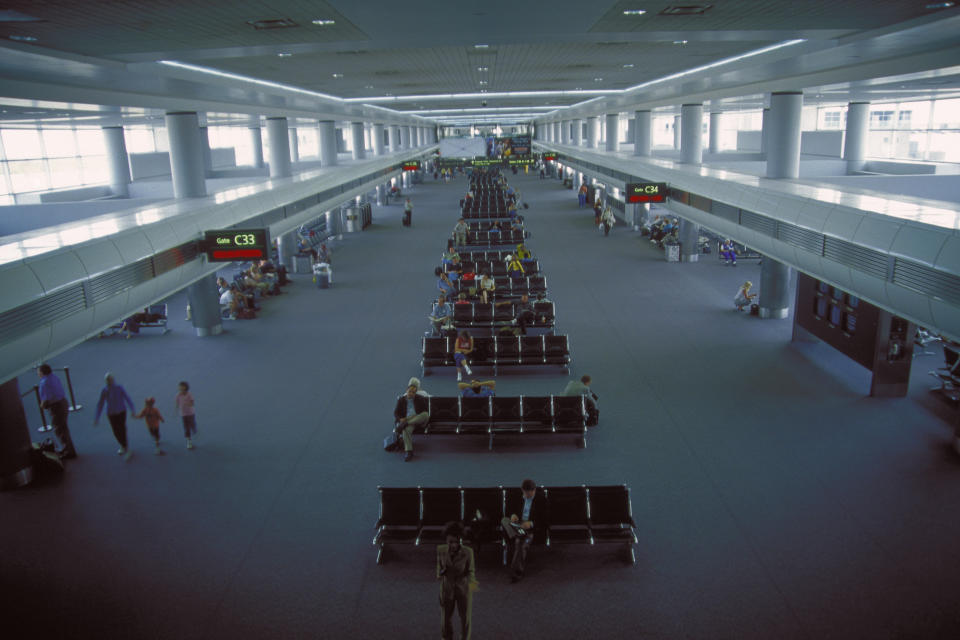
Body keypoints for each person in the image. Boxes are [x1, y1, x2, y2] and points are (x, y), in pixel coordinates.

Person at [437, 521, 477, 640]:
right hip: (447, 588)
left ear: (461, 540)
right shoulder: (441, 550)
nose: (453, 545)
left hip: (463, 588)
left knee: (465, 618)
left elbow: (471, 571)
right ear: (446, 540)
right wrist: (441, 573)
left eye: (456, 541)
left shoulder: (468, 552)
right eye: (450, 542)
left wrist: (471, 587)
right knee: (445, 618)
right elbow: (439, 570)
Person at [502, 478, 545, 582]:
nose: (527, 495)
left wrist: (531, 523)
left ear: (534, 490)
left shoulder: (541, 500)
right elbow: (509, 510)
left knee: (520, 544)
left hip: (531, 528)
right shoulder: (518, 497)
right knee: (504, 520)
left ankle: (516, 572)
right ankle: (519, 533)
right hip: (518, 524)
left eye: (529, 493)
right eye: (525, 493)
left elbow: (545, 520)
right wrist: (513, 515)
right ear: (522, 490)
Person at [37, 364, 77, 459]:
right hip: (63, 402)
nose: (38, 374)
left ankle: (69, 451)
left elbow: (45, 400)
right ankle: (67, 448)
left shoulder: (44, 382)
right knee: (63, 427)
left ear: (42, 372)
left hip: (56, 407)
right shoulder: (54, 377)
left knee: (60, 429)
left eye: (38, 372)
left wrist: (42, 406)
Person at [93, 372, 136, 460]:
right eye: (107, 380)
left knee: (122, 428)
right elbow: (100, 404)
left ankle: (125, 446)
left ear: (113, 379)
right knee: (115, 431)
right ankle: (123, 445)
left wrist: (132, 409)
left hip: (121, 411)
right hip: (111, 413)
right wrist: (97, 417)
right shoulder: (104, 390)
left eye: (110, 379)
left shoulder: (119, 388)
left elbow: (127, 398)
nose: (109, 381)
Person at [393, 384, 428, 462]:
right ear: (406, 391)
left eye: (413, 392)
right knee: (405, 430)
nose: (411, 393)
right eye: (409, 391)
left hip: (418, 419)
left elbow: (425, 412)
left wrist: (408, 420)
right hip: (408, 421)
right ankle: (409, 451)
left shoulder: (420, 399)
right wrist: (400, 419)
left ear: (415, 393)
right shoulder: (401, 400)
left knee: (425, 415)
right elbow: (396, 413)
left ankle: (406, 424)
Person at [175, 381, 197, 450]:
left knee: (192, 424)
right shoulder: (178, 395)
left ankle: (193, 428)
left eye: (182, 388)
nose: (180, 389)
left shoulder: (189, 395)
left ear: (186, 388)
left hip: (190, 413)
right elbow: (177, 403)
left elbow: (192, 403)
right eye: (179, 388)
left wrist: (188, 404)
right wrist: (177, 409)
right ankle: (189, 441)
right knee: (186, 427)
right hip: (183, 414)